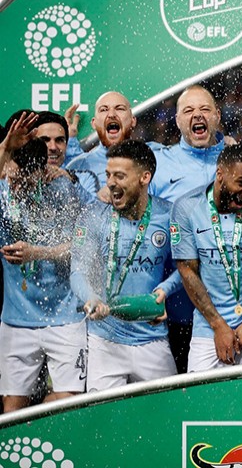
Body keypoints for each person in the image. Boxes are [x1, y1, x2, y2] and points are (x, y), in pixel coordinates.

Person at [70, 140, 181, 391]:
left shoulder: (169, 215)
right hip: (104, 341)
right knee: (102, 422)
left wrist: (164, 291)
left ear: (144, 177)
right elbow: (78, 269)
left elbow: (186, 267)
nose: (110, 183)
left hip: (151, 339)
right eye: (108, 175)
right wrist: (90, 297)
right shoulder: (93, 215)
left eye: (120, 176)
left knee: (167, 420)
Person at [171, 145, 242, 371]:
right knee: (203, 402)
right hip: (208, 327)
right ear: (220, 174)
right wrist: (218, 326)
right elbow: (187, 270)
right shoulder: (187, 207)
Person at [0, 120, 85, 412]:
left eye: (23, 179)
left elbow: (85, 245)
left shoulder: (65, 188)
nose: (15, 185)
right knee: (11, 409)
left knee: (69, 404)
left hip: (65, 317)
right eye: (11, 177)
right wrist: (4, 151)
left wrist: (39, 252)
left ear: (41, 172)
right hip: (16, 319)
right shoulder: (4, 190)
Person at [151, 85, 228, 373]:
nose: (198, 115)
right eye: (188, 111)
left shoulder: (239, 161)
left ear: (218, 116)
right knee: (178, 399)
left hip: (229, 311)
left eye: (205, 109)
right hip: (173, 309)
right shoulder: (158, 163)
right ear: (178, 121)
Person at [65, 91, 147, 195]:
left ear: (133, 120)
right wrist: (70, 141)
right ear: (94, 123)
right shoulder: (78, 166)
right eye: (104, 110)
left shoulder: (155, 157)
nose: (112, 115)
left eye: (120, 108)